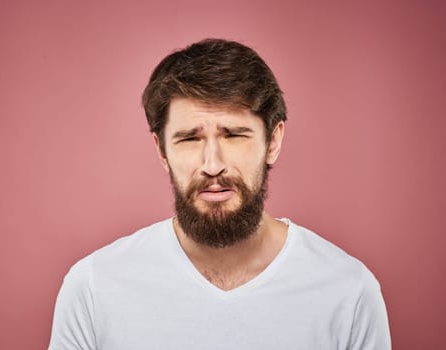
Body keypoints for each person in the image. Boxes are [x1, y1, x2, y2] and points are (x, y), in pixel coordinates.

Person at [48, 38, 391, 350]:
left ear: (273, 142)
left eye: (234, 135)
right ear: (162, 151)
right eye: (189, 139)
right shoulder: (93, 288)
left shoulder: (349, 291)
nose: (212, 165)